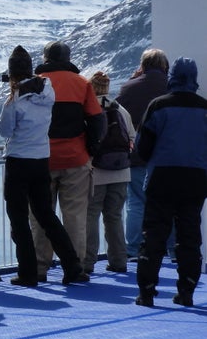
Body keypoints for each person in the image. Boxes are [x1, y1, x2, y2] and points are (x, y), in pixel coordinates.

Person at [0, 46, 86, 286]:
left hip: (18, 161)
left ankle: (28, 272)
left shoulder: (14, 101)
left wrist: (13, 94)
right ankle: (72, 264)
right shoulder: (48, 90)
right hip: (41, 159)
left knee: (18, 218)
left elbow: (5, 130)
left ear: (13, 74)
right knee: (46, 214)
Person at [134, 57, 207, 308]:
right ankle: (186, 291)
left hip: (161, 178)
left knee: (154, 234)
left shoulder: (158, 106)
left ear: (172, 76)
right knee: (189, 236)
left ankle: (147, 293)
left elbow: (143, 147)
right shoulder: (204, 108)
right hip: (196, 179)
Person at [30, 41, 104, 283]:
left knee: (41, 215)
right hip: (75, 158)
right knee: (75, 216)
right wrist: (91, 150)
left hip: (40, 159)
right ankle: (74, 267)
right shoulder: (81, 83)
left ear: (46, 58)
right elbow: (96, 120)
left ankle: (39, 266)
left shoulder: (35, 82)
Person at [115, 49, 171, 260]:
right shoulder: (171, 87)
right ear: (164, 66)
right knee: (168, 202)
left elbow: (118, 116)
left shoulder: (129, 88)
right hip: (166, 155)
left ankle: (133, 250)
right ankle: (171, 248)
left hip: (137, 153)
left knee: (136, 202)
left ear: (143, 65)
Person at [84, 71, 134, 274]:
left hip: (95, 171)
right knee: (114, 216)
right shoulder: (120, 109)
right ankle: (119, 260)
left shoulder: (87, 109)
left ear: (91, 87)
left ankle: (87, 262)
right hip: (121, 171)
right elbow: (131, 137)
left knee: (90, 216)